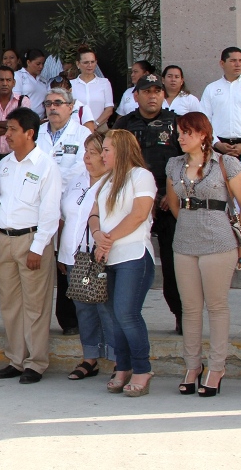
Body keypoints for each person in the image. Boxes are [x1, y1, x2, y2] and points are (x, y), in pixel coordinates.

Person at [166, 112, 241, 397]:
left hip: (219, 241)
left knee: (216, 306)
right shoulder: (174, 164)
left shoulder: (226, 163)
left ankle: (217, 367)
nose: (181, 137)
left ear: (203, 134)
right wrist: (189, 222)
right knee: (190, 308)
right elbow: (174, 203)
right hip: (185, 242)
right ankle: (192, 366)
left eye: (187, 132)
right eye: (179, 132)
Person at [0, 108, 62, 384]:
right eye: (7, 129)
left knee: (35, 305)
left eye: (13, 129)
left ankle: (36, 362)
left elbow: (50, 211)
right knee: (10, 304)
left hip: (32, 240)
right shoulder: (4, 165)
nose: (7, 134)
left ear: (29, 133)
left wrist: (39, 247)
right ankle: (16, 359)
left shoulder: (45, 165)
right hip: (4, 239)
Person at [87, 129, 157, 397]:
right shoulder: (106, 180)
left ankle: (142, 368)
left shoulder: (141, 176)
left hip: (133, 255)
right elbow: (94, 214)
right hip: (110, 257)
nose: (102, 155)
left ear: (123, 150)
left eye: (107, 150)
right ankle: (123, 366)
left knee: (127, 314)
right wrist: (97, 235)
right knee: (115, 317)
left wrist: (108, 240)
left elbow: (139, 215)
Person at [114, 75, 183, 333]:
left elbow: (186, 161)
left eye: (157, 91)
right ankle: (122, 316)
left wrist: (172, 194)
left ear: (164, 95)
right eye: (147, 91)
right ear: (136, 96)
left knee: (173, 263)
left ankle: (181, 315)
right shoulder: (124, 124)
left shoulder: (176, 123)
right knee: (125, 257)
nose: (152, 96)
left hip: (167, 202)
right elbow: (114, 160)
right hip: (132, 203)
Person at [59, 133, 117, 380]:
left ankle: (118, 359)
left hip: (103, 255)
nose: (87, 158)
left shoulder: (114, 182)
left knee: (107, 308)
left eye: (93, 152)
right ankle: (90, 357)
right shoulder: (77, 179)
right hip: (74, 256)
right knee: (83, 307)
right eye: (86, 152)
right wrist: (61, 253)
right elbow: (64, 216)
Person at [37, 87, 92, 335]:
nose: (52, 108)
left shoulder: (82, 134)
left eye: (58, 103)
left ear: (71, 107)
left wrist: (52, 185)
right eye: (48, 103)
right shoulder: (38, 133)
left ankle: (71, 320)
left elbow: (80, 168)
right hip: (40, 205)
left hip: (70, 204)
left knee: (68, 262)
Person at [201, 47, 241, 159]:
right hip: (218, 146)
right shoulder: (211, 88)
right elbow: (204, 119)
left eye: (240, 60)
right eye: (233, 61)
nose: (238, 64)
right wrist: (216, 143)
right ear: (222, 63)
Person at [70, 47, 114, 130]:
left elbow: (109, 109)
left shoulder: (104, 83)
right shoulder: (71, 84)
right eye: (86, 62)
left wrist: (95, 124)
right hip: (77, 129)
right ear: (78, 64)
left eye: (92, 62)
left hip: (100, 128)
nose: (90, 65)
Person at [14, 49, 49, 117]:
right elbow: (15, 99)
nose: (41, 67)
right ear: (28, 62)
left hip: (41, 119)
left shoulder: (43, 80)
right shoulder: (18, 76)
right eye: (38, 64)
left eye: (43, 64)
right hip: (24, 118)